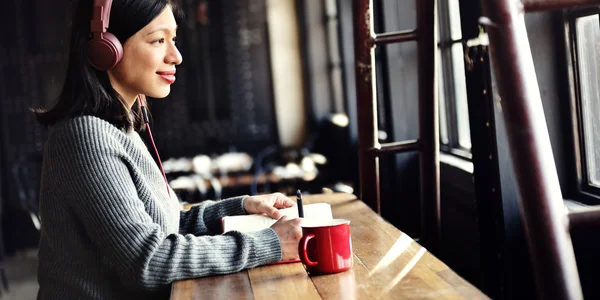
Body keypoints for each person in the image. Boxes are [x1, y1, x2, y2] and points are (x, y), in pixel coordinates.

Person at [34, 0, 302, 299]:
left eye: (173, 40)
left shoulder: (122, 132)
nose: (176, 56)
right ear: (106, 49)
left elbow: (167, 226)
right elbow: (148, 261)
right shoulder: (85, 136)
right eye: (158, 40)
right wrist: (266, 244)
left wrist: (240, 207)